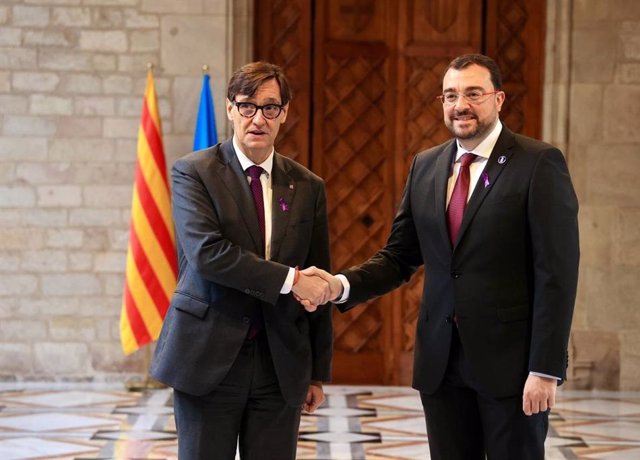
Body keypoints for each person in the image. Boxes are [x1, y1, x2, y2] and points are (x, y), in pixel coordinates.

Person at [302, 53, 579, 459]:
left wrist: (545, 369)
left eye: (473, 93)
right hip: (441, 366)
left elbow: (557, 274)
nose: (460, 105)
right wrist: (338, 286)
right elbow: (399, 257)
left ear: (499, 99)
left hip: (512, 369)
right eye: (450, 95)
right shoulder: (426, 166)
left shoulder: (537, 164)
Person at [150, 61, 334, 460]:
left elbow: (317, 277)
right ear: (230, 109)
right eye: (247, 106)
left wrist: (317, 371)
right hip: (208, 358)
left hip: (280, 363)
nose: (258, 118)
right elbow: (208, 255)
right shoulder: (194, 172)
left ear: (284, 113)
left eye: (270, 108)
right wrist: (289, 279)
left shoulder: (307, 186)